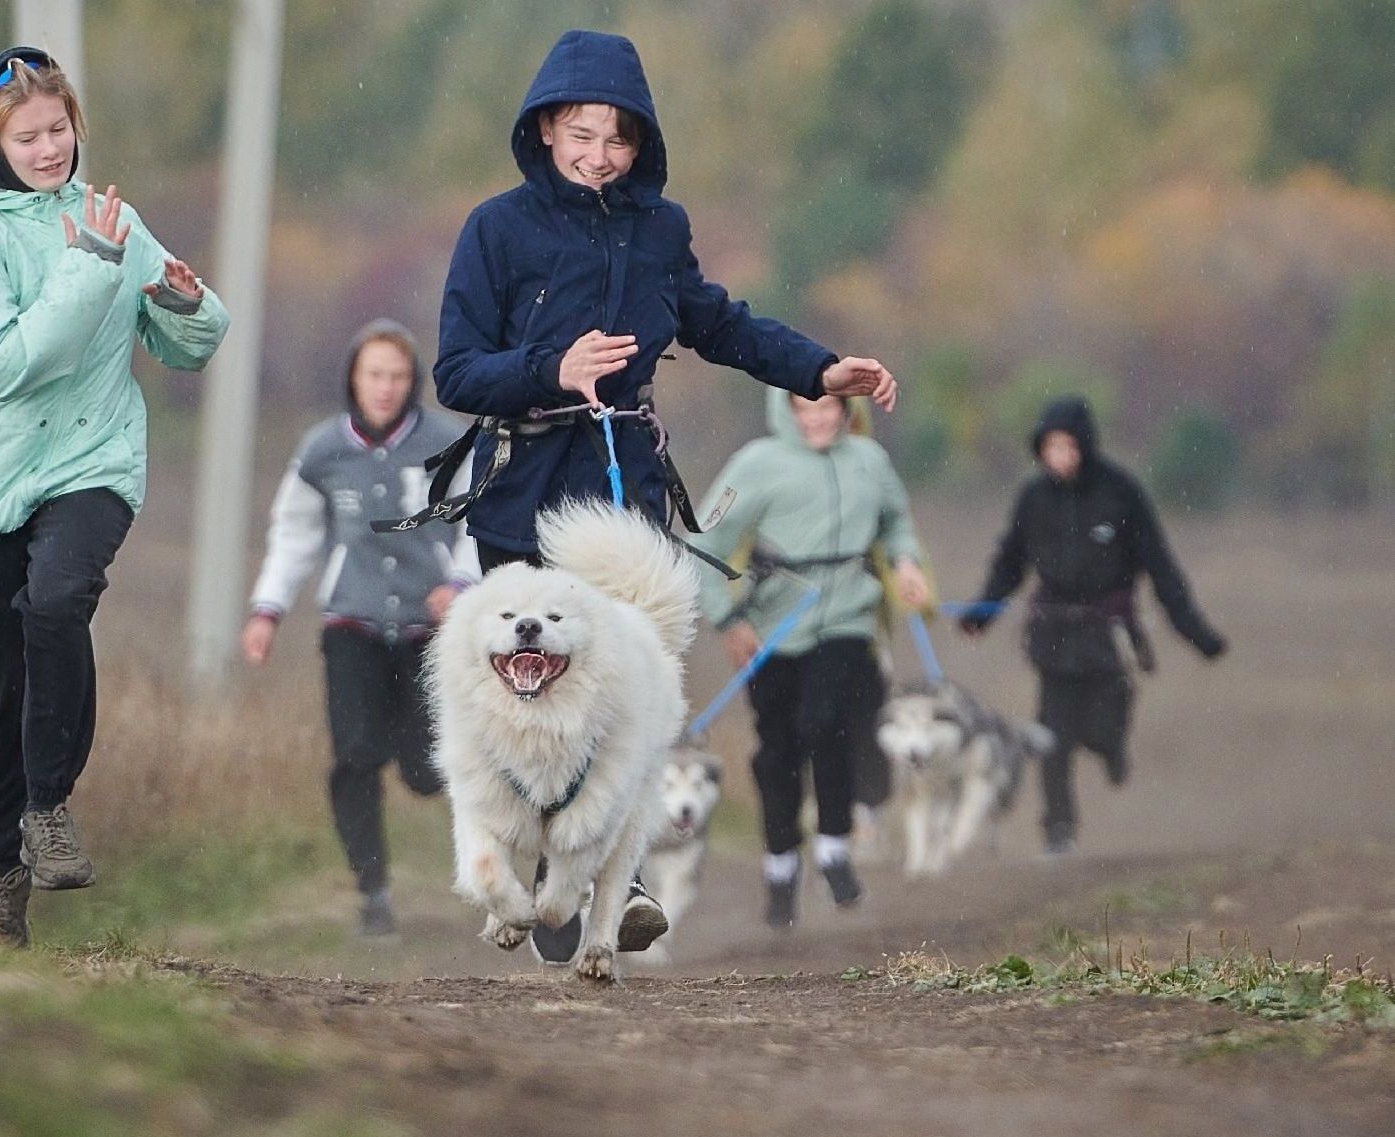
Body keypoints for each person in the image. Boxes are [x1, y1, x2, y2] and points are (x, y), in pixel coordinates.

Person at [427, 28, 900, 961]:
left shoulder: (660, 229)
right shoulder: (495, 228)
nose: (599, 156)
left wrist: (819, 369)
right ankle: (525, 867)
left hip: (622, 485)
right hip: (519, 483)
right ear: (547, 127)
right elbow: (454, 371)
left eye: (618, 139)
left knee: (616, 685)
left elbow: (721, 324)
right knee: (524, 696)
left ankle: (616, 875)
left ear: (640, 143)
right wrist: (551, 366)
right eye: (582, 134)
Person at [0, 48, 229, 948]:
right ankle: (2, 867)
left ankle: (49, 805)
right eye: (29, 135)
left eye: (59, 129)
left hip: (92, 464)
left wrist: (183, 305)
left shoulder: (112, 219)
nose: (50, 147)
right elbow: (9, 365)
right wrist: (92, 267)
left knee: (58, 603)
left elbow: (188, 345)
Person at [243, 320, 478, 937]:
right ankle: (372, 892)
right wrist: (268, 610)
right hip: (352, 621)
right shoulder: (322, 449)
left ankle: (472, 845)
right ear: (354, 377)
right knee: (354, 755)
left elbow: (479, 523)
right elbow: (293, 535)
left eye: (398, 376)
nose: (385, 387)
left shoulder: (448, 442)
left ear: (413, 383)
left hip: (430, 632)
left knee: (429, 770)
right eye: (375, 374)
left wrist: (458, 584)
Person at [691, 390, 930, 928]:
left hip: (848, 616)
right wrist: (728, 621)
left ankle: (833, 850)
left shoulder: (869, 461)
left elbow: (896, 520)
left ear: (847, 412)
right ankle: (780, 865)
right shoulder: (756, 464)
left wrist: (906, 562)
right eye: (806, 407)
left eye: (829, 407)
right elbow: (703, 540)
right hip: (774, 624)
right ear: (787, 411)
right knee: (777, 750)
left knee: (827, 724)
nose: (818, 418)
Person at [958, 395, 1227, 855]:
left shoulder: (1121, 493)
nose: (1059, 457)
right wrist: (983, 610)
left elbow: (1161, 568)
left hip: (1108, 634)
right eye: (1050, 448)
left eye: (1067, 446)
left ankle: (1111, 751)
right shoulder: (1033, 498)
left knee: (1102, 728)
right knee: (1051, 737)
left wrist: (1196, 632)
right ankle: (1057, 832)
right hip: (1053, 634)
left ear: (1085, 446)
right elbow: (1010, 562)